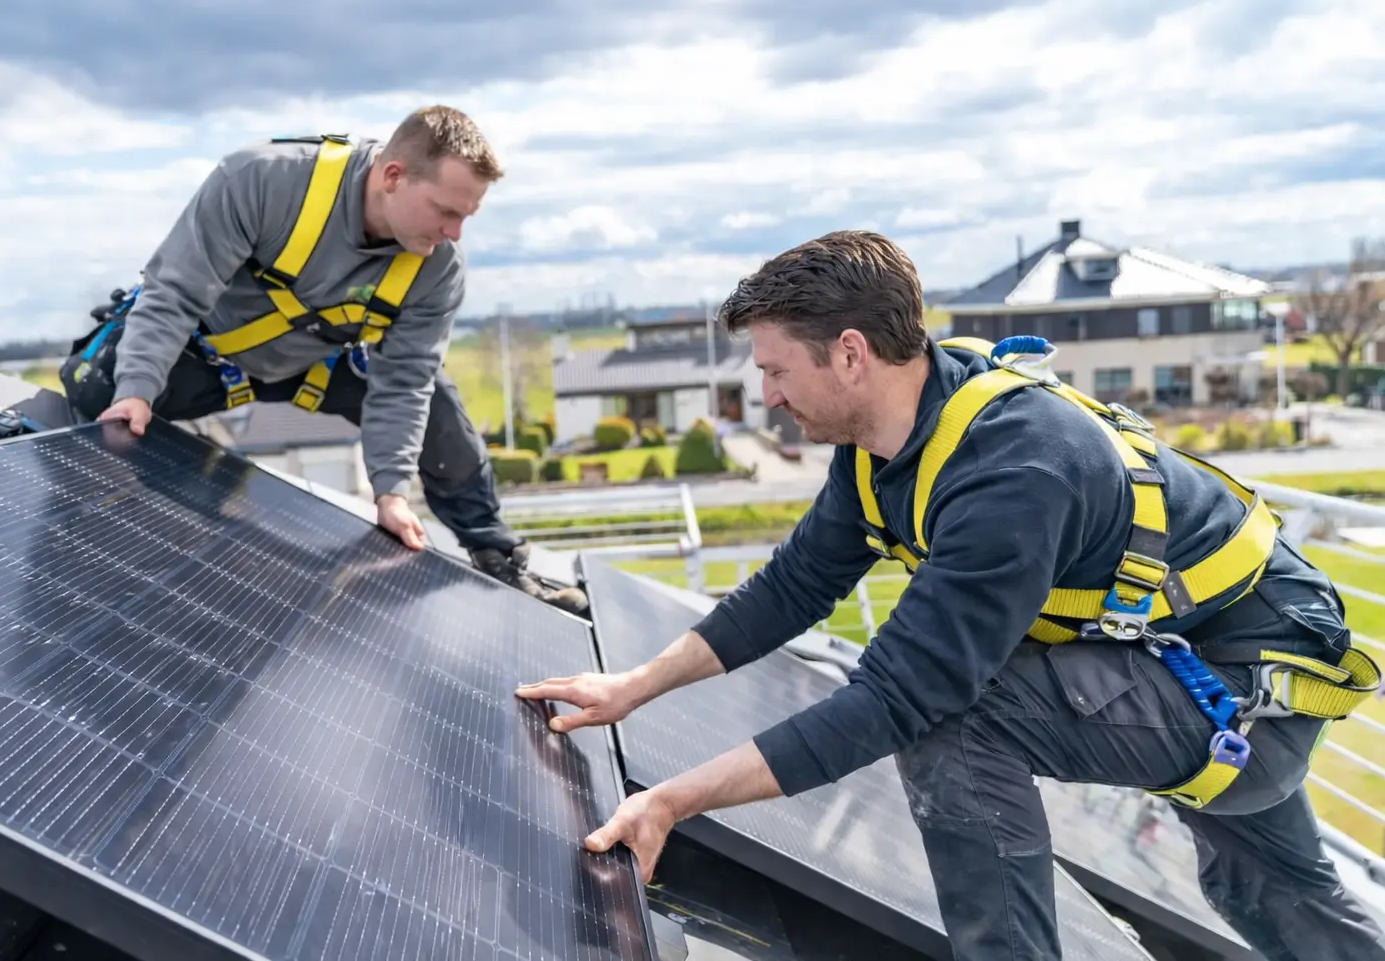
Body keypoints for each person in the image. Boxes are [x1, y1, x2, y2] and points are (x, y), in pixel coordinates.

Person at [515, 230, 1385, 960]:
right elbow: (795, 587)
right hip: (1180, 658)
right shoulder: (888, 445)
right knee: (1282, 907)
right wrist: (632, 687)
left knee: (955, 719)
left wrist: (672, 797)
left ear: (849, 354)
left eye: (776, 369)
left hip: (1244, 686)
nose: (766, 395)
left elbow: (899, 696)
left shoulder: (1014, 470)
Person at [57, 105, 586, 616]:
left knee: (442, 413)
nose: (454, 233)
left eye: (466, 216)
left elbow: (405, 383)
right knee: (100, 390)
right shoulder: (262, 181)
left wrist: (391, 492)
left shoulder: (437, 268)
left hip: (317, 365)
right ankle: (150, 522)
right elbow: (173, 294)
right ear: (393, 176)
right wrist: (137, 389)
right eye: (446, 211)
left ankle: (498, 558)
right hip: (207, 350)